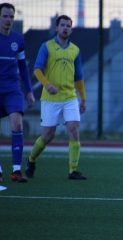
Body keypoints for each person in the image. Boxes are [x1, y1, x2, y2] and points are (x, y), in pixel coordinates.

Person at [25, 14, 87, 180]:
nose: (66, 28)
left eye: (68, 26)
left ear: (71, 29)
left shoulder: (75, 50)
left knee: (74, 130)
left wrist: (83, 98)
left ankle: (73, 170)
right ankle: (31, 159)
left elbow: (79, 76)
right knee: (48, 136)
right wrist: (47, 84)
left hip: (70, 97)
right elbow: (37, 69)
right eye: (63, 25)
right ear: (57, 28)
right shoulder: (47, 46)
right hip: (51, 98)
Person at [0, 2, 35, 183]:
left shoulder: (18, 40)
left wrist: (29, 91)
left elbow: (22, 66)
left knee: (17, 125)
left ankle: (16, 171)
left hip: (13, 90)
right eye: (5, 16)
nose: (8, 20)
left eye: (11, 17)